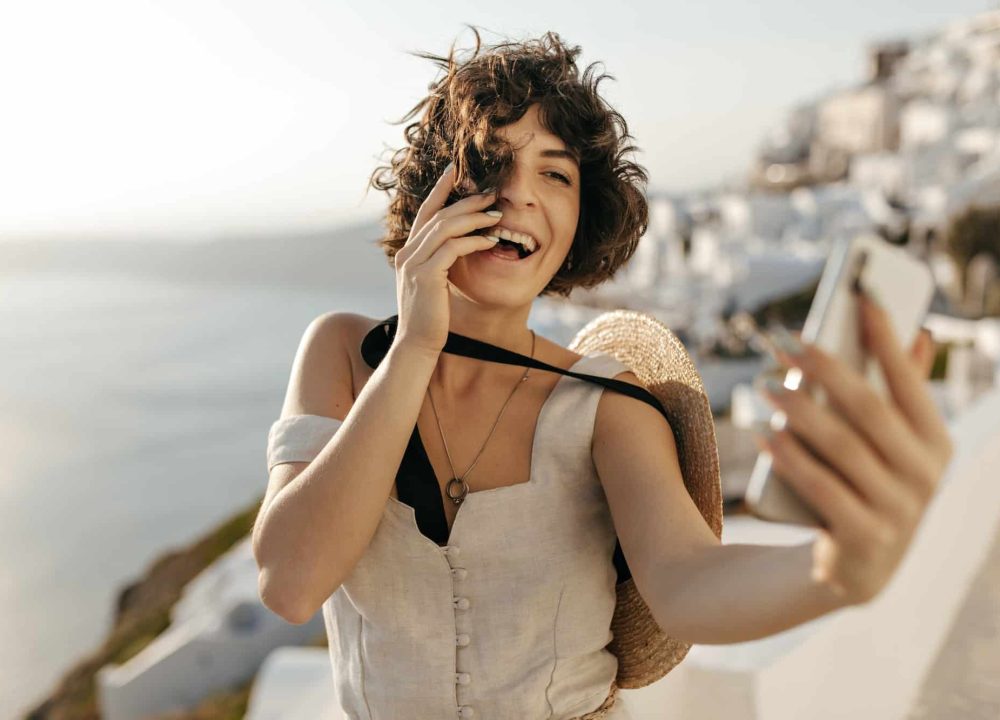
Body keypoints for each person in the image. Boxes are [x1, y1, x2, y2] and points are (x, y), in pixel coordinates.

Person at [252, 27, 954, 720]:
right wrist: (414, 348)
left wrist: (831, 572)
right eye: (491, 160)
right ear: (432, 191)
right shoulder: (347, 353)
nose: (520, 193)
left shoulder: (608, 403)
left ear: (580, 221)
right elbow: (289, 583)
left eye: (555, 174)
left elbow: (687, 581)